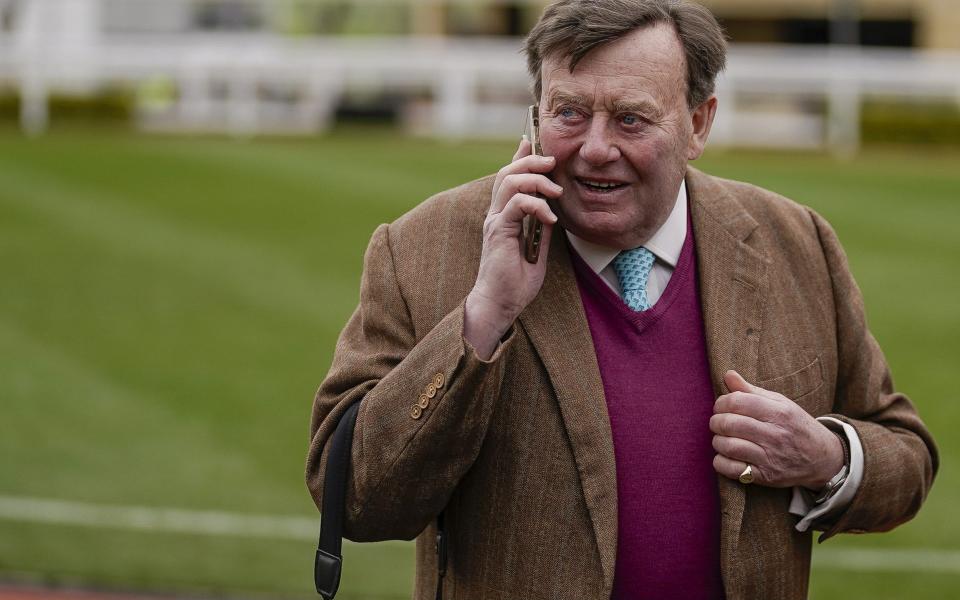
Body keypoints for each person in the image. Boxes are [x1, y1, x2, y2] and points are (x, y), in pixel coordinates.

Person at [306, 1, 938, 598]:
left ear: (698, 124)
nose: (595, 148)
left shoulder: (796, 242)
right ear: (535, 113)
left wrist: (825, 457)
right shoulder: (423, 245)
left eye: (631, 118)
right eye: (569, 113)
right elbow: (357, 500)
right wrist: (483, 318)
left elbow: (905, 457)